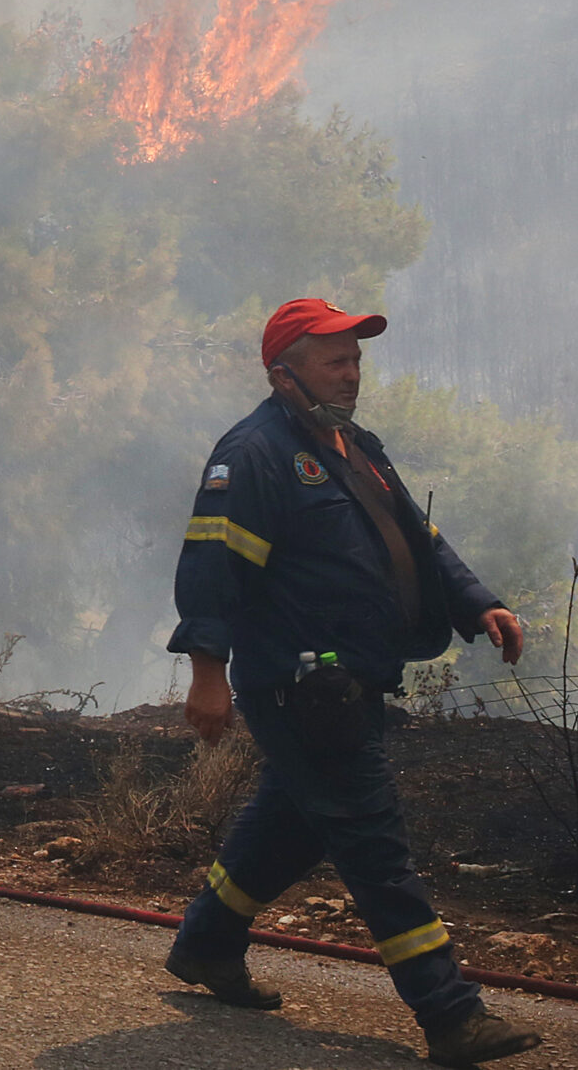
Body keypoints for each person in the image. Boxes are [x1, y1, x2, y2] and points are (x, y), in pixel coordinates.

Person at [163, 298, 540, 1067]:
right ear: (283, 372)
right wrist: (207, 673)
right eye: (336, 358)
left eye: (356, 358)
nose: (353, 371)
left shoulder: (353, 445)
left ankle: (206, 943)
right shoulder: (254, 452)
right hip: (301, 688)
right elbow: (211, 565)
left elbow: (419, 537)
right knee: (374, 845)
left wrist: (481, 603)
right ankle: (450, 1012)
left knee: (294, 823)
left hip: (354, 683)